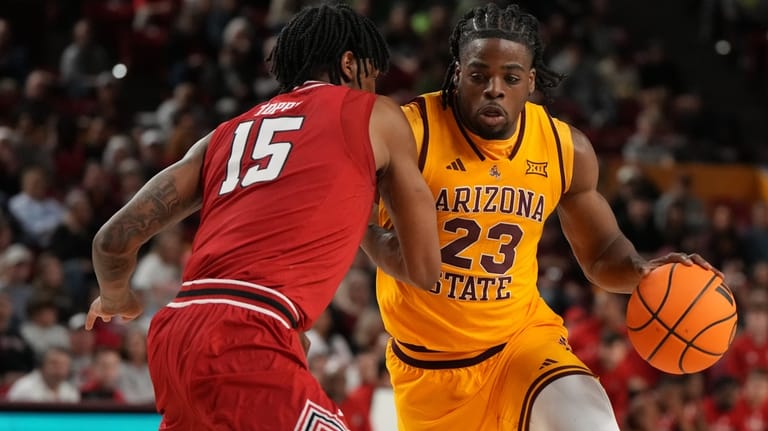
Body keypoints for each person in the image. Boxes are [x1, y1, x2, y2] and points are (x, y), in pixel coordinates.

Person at [364, 3, 722, 430]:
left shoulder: (564, 147)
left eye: (510, 78)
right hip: (427, 368)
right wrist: (361, 234)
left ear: (530, 82)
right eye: (479, 75)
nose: (494, 88)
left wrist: (642, 272)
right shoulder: (409, 130)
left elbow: (603, 250)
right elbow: (342, 206)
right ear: (458, 73)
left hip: (523, 345)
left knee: (592, 424)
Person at [84, 4, 441, 430]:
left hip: (175, 335)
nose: (373, 86)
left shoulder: (224, 134)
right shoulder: (375, 114)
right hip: (249, 331)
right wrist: (362, 223)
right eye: (372, 74)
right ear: (350, 64)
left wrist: (116, 297)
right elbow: (422, 268)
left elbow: (112, 239)